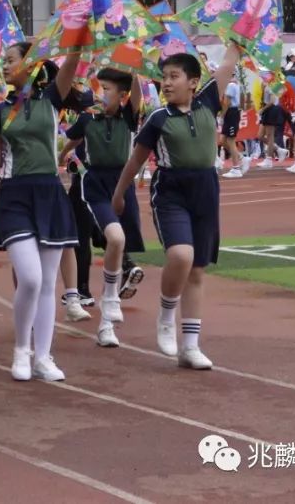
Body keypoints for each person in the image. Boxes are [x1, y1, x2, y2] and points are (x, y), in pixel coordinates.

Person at [112, 46, 241, 370]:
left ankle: (190, 346)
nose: (167, 83)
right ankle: (166, 316)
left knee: (196, 269)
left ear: (194, 81)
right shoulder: (158, 118)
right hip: (171, 191)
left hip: (206, 190)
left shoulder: (209, 101)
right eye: (164, 78)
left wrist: (240, 35)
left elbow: (228, 61)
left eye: (174, 77)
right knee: (180, 256)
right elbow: (136, 160)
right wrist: (119, 193)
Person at [0, 44, 82, 382]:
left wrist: (76, 38)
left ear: (30, 65)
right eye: (3, 61)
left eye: (10, 60)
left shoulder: (51, 99)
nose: (4, 65)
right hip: (14, 194)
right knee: (30, 278)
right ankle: (21, 350)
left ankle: (43, 357)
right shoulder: (0, 111)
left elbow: (72, 62)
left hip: (49, 192)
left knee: (47, 282)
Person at [60, 68, 144, 348]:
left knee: (118, 244)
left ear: (122, 95)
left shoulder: (128, 116)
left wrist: (133, 64)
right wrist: (58, 157)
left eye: (107, 88)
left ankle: (107, 326)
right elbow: (70, 142)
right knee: (116, 239)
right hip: (95, 184)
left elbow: (137, 93)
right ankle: (110, 301)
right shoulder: (88, 117)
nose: (101, 92)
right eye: (100, 87)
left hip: (122, 183)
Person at [256, 73, 289, 168]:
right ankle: (279, 150)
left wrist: (263, 109)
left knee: (270, 136)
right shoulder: (266, 83)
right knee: (260, 135)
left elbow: (272, 100)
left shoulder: (273, 83)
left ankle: (268, 160)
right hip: (267, 110)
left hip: (272, 109)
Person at [220, 76, 250, 179]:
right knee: (222, 140)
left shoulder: (231, 85)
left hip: (231, 112)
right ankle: (242, 158)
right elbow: (243, 101)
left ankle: (236, 169)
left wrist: (222, 115)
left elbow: (227, 102)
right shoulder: (237, 85)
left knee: (230, 140)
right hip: (233, 112)